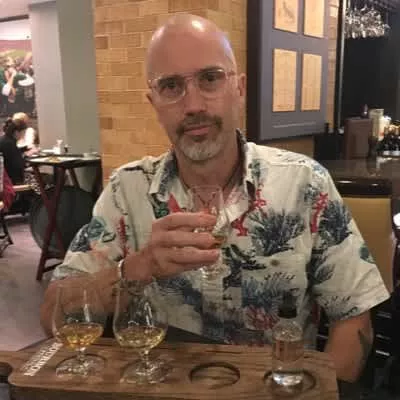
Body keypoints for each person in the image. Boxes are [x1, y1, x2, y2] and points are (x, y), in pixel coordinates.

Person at [40, 14, 389, 383]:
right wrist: (138, 268)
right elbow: (53, 316)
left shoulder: (305, 183)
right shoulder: (126, 191)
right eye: (171, 86)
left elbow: (354, 319)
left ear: (239, 88)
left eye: (210, 78)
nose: (193, 104)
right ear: (154, 102)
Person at [0, 117, 27, 184]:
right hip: (11, 181)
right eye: (23, 133)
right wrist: (25, 155)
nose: (23, 136)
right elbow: (19, 164)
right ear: (16, 132)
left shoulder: (4, 140)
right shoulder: (9, 144)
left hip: (5, 178)